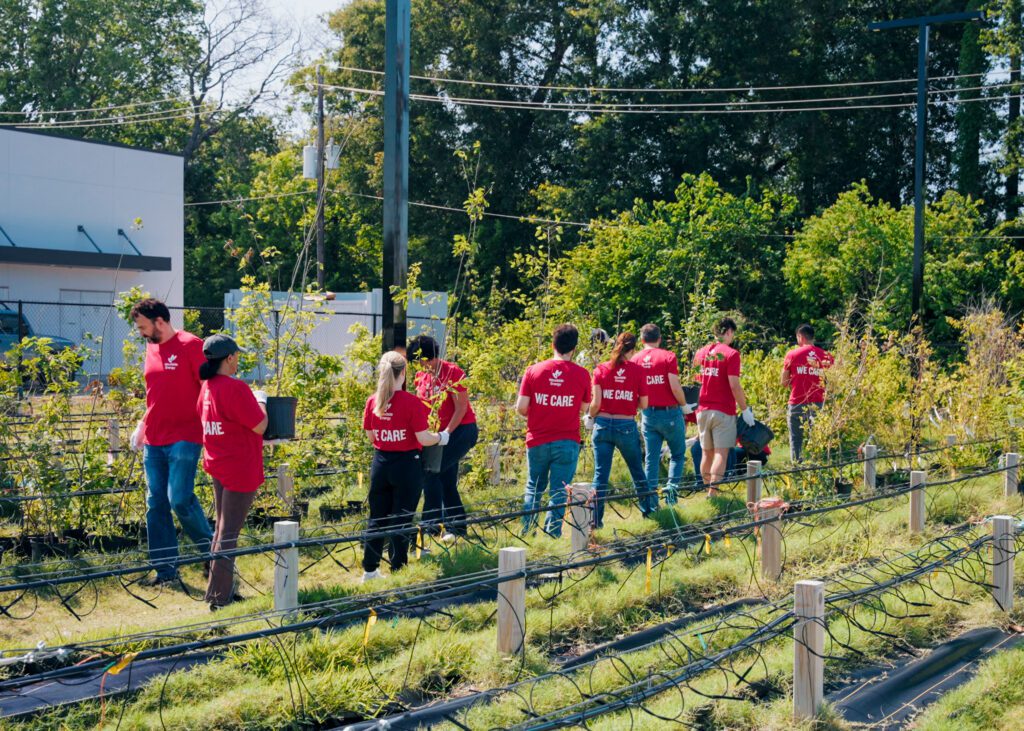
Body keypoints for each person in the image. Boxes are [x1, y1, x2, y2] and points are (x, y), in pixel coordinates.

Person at [129, 298, 213, 587]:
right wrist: (142, 425)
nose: (141, 332)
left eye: (143, 326)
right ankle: (165, 571)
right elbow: (155, 394)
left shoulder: (191, 345)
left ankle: (214, 556)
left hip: (185, 437)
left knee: (180, 499)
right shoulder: (151, 349)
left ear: (159, 321)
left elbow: (208, 389)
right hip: (154, 440)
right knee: (156, 503)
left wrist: (213, 427)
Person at [362, 351, 449, 582]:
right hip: (407, 465)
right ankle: (398, 570)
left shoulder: (373, 401)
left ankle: (369, 570)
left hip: (381, 463)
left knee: (377, 518)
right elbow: (422, 438)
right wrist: (441, 437)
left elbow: (371, 436)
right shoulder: (412, 403)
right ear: (404, 372)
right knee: (402, 517)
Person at [196, 334, 268, 610]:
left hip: (219, 463)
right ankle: (218, 599)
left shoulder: (207, 387)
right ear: (228, 359)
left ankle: (217, 591)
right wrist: (261, 400)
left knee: (221, 531)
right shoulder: (235, 388)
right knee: (228, 535)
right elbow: (260, 425)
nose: (238, 360)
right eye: (236, 356)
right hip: (239, 467)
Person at [516, 324, 591, 538]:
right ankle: (552, 534)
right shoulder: (582, 374)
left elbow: (521, 407)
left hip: (537, 439)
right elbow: (584, 408)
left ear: (553, 344)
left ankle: (527, 532)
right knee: (558, 492)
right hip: (567, 440)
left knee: (534, 487)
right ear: (574, 348)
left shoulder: (534, 370)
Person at [408, 335, 479, 541]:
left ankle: (430, 526)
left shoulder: (452, 372)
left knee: (431, 473)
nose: (419, 366)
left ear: (430, 357)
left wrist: (447, 433)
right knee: (446, 480)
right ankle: (457, 527)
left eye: (421, 361)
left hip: (461, 431)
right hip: (438, 435)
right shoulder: (421, 377)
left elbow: (461, 407)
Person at [631, 324, 696, 514]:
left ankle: (651, 502)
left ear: (642, 340)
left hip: (648, 413)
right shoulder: (668, 356)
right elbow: (675, 386)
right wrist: (684, 405)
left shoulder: (635, 359)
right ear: (659, 339)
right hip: (670, 412)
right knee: (677, 454)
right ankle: (671, 494)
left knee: (651, 458)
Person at [587, 332, 648, 529]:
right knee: (637, 471)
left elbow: (595, 404)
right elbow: (644, 404)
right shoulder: (638, 371)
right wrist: (628, 402)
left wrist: (589, 417)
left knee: (600, 475)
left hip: (603, 424)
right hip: (626, 426)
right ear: (632, 350)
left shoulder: (601, 369)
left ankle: (595, 521)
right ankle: (649, 511)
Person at [694, 318, 753, 493]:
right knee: (721, 453)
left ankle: (707, 491)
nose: (732, 338)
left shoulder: (700, 353)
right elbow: (734, 384)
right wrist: (744, 409)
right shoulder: (731, 354)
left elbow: (697, 381)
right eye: (732, 334)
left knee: (706, 453)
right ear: (728, 331)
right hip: (723, 410)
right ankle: (713, 493)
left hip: (702, 409)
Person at [782, 324, 833, 462]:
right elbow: (832, 382)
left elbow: (784, 382)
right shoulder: (826, 356)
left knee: (796, 438)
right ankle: (816, 467)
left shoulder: (792, 354)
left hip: (797, 402)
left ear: (800, 337)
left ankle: (797, 468)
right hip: (818, 402)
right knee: (816, 438)